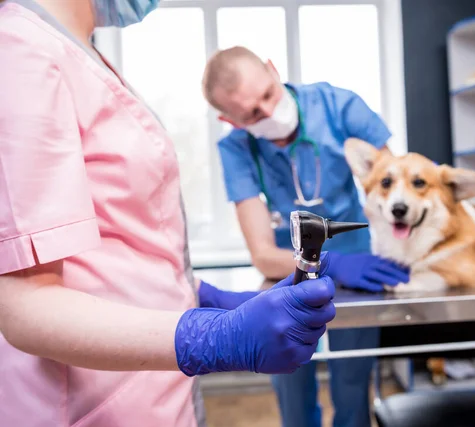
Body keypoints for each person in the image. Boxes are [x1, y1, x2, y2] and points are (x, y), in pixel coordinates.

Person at [0, 1, 339, 426]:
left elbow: (113, 246)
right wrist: (218, 337)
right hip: (95, 404)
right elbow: (24, 308)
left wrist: (197, 294)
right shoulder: (20, 51)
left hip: (150, 394)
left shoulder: (77, 52)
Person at [202, 46, 411, 427]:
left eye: (268, 94)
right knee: (291, 383)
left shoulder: (338, 106)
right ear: (228, 119)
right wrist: (328, 263)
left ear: (272, 68)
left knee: (352, 381)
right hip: (288, 270)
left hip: (358, 259)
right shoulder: (236, 149)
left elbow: (393, 192)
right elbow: (263, 255)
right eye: (251, 114)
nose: (267, 113)